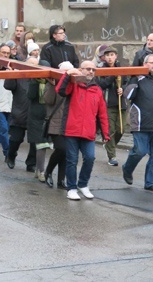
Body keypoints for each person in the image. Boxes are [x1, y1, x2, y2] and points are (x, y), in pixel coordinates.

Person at [56, 60, 110, 201]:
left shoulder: (97, 90)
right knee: (72, 160)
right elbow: (60, 90)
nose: (91, 71)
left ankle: (83, 184)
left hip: (88, 132)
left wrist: (105, 133)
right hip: (71, 130)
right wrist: (68, 74)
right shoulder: (73, 85)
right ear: (81, 70)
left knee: (90, 158)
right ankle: (72, 188)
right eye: (88, 69)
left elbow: (102, 114)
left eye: (93, 69)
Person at [122, 54, 153, 192]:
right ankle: (127, 168)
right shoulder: (138, 79)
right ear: (145, 64)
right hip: (140, 124)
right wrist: (134, 78)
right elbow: (129, 95)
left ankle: (150, 182)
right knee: (140, 151)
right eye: (151, 62)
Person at [42, 61, 74, 189]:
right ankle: (48, 171)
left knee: (66, 153)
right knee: (62, 149)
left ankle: (61, 180)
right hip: (56, 123)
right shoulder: (53, 84)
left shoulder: (74, 85)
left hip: (70, 124)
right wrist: (51, 85)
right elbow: (48, 100)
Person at [96, 47, 127, 166]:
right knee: (110, 130)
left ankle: (109, 144)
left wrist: (122, 89)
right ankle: (112, 156)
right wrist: (112, 75)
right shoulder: (101, 70)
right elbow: (101, 84)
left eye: (112, 54)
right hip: (108, 104)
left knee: (121, 129)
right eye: (107, 55)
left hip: (121, 103)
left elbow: (126, 82)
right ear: (104, 57)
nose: (110, 57)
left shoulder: (121, 68)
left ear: (116, 56)